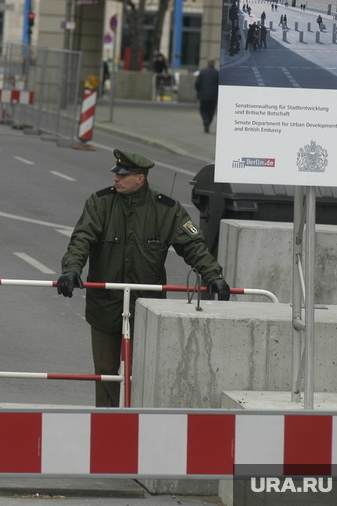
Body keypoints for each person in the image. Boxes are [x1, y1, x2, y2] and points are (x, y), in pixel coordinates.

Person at [56, 149, 231, 407]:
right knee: (105, 371)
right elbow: (82, 239)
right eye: (116, 174)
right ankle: (108, 421)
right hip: (105, 304)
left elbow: (193, 246)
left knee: (143, 370)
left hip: (146, 305)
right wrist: (71, 270)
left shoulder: (166, 210)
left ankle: (139, 419)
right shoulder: (100, 203)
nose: (116, 179)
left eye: (124, 175)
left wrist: (213, 274)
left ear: (140, 178)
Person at [195, 60, 219, 133]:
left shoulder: (203, 72)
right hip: (213, 95)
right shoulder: (216, 73)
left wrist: (198, 91)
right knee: (211, 111)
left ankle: (205, 119)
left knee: (203, 109)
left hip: (203, 95)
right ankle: (208, 122)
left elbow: (197, 83)